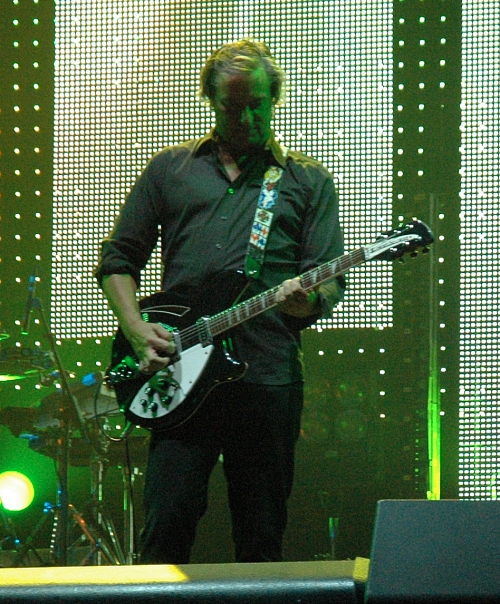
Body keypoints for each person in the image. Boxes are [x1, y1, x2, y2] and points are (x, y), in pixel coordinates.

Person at [95, 39, 345, 564]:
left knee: (260, 537)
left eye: (258, 104)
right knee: (166, 528)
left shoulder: (307, 180)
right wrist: (137, 327)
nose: (248, 118)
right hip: (179, 375)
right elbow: (119, 259)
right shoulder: (171, 169)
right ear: (212, 103)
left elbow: (325, 282)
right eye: (234, 108)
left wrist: (305, 303)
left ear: (273, 99)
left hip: (265, 378)